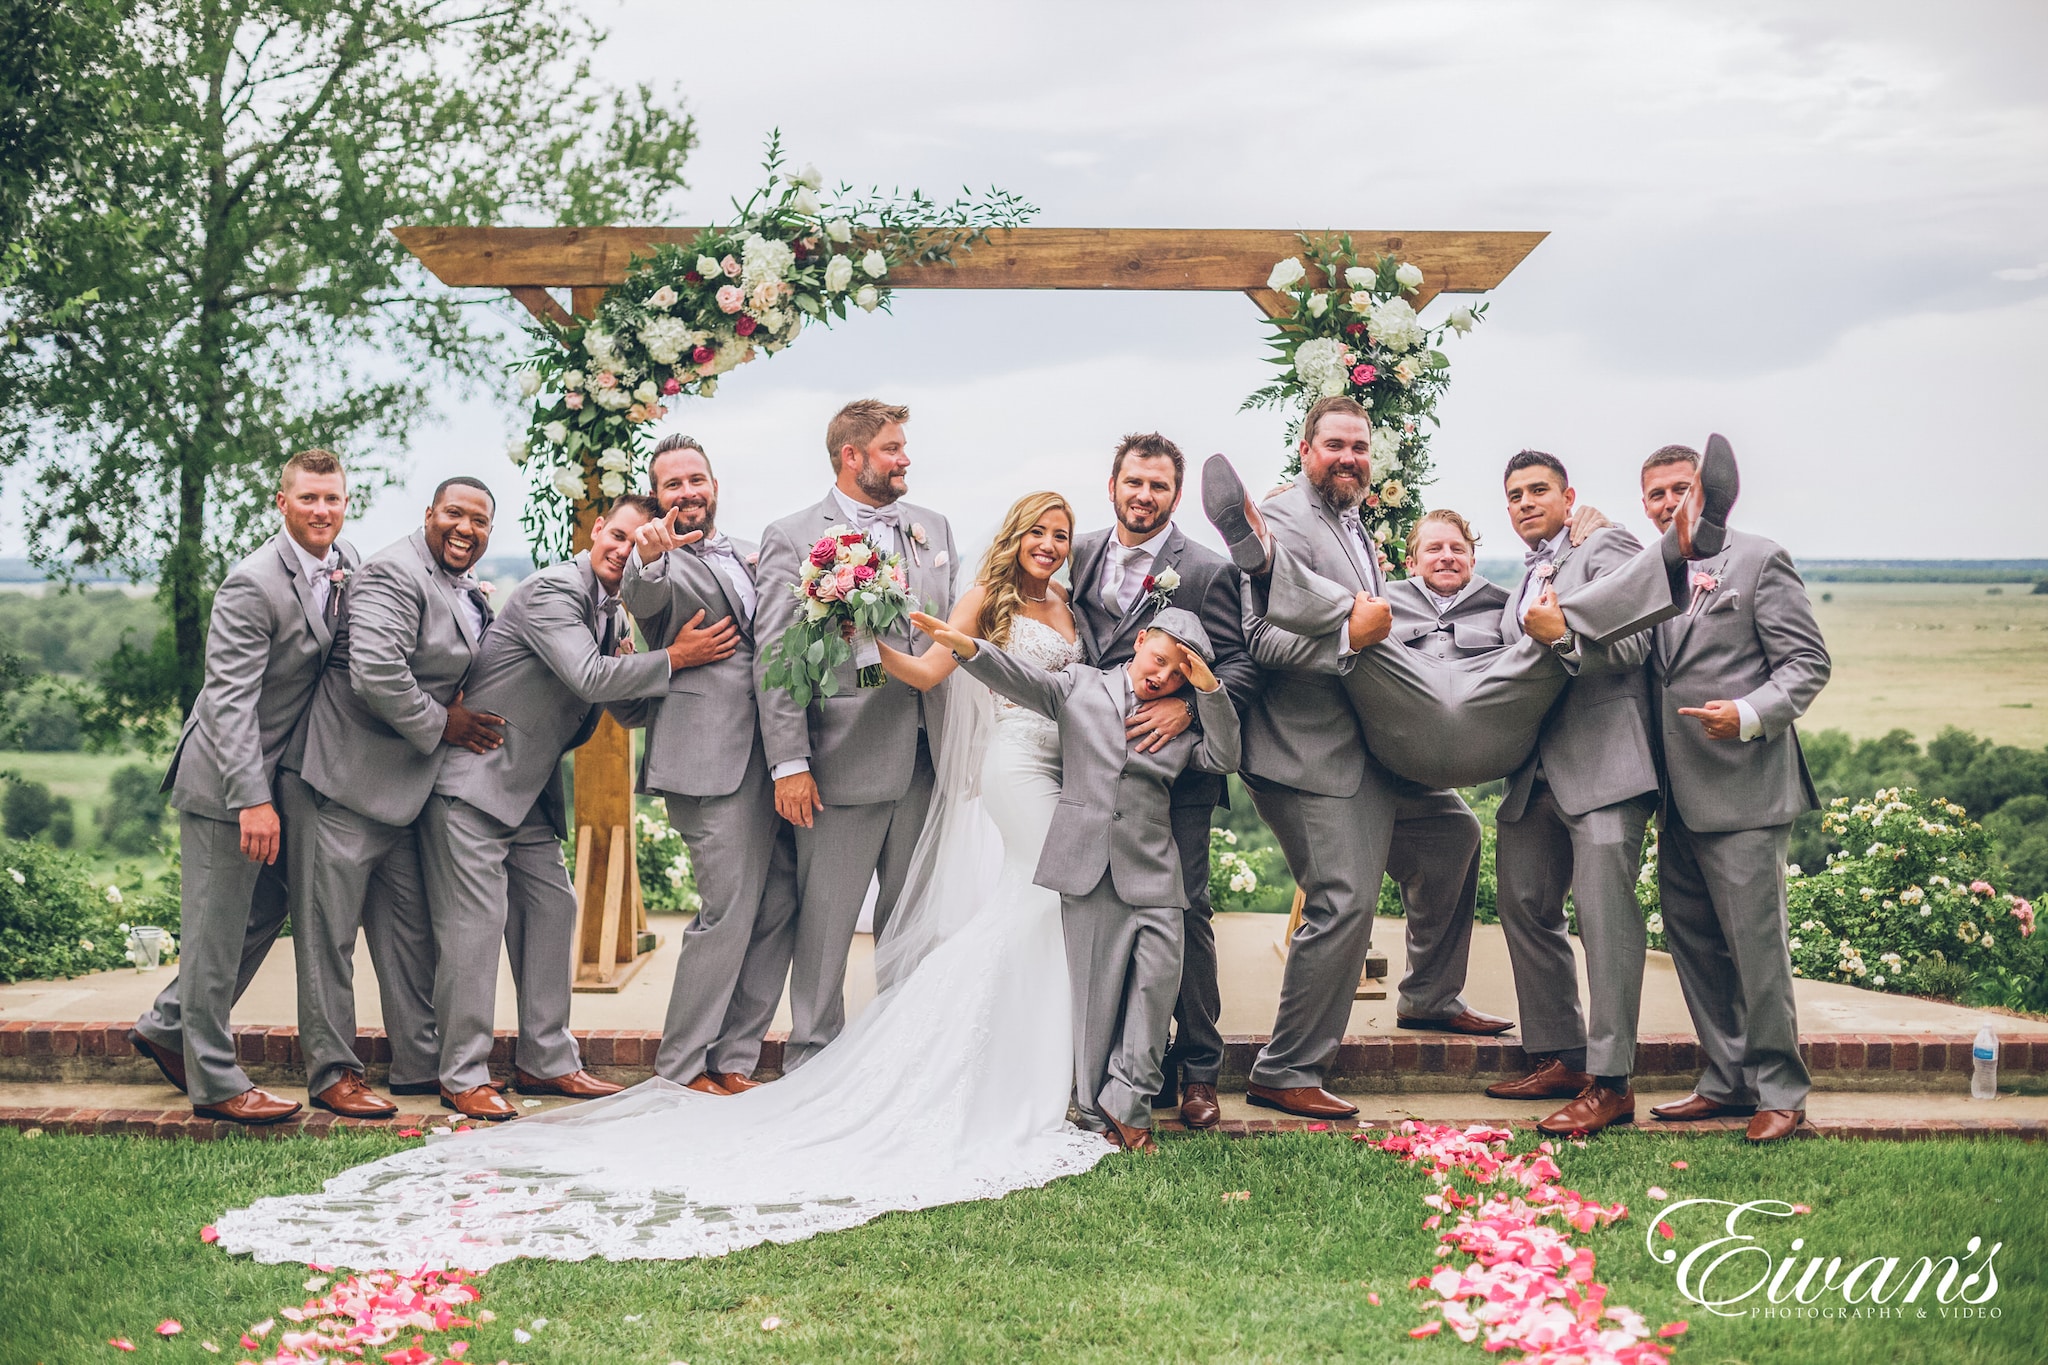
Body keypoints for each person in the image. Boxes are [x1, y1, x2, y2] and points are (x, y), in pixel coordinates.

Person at [212, 488, 1117, 1269]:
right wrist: (731, 656)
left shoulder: (726, 562)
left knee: (746, 910)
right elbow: (614, 670)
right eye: (616, 534)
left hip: (944, 767)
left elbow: (636, 691)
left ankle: (636, 1060)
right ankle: (643, 1070)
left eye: (1059, 534)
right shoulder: (596, 585)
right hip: (512, 778)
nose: (627, 543)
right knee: (631, 919)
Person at [928, 606, 1241, 1154]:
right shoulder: (1080, 685)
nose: (1161, 676)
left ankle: (1130, 1098)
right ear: (1141, 640)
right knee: (1095, 998)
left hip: (1154, 868)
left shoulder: (1180, 716)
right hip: (1087, 864)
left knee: (1157, 985)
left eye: (1175, 673)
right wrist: (966, 648)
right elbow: (1022, 679)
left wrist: (1204, 693)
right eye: (1159, 660)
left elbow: (1225, 754)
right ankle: (1101, 1110)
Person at [418, 494, 689, 1120]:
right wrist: (676, 658)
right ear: (597, 530)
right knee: (474, 934)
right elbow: (591, 679)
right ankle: (462, 1075)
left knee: (552, 910)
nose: (623, 551)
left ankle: (547, 1060)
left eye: (637, 544)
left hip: (528, 798)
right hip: (474, 787)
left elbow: (627, 708)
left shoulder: (614, 614)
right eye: (616, 535)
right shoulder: (552, 591)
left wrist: (693, 679)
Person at [129, 449, 358, 1125]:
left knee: (271, 905)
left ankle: (170, 1025)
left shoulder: (345, 565)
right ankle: (217, 1080)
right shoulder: (251, 584)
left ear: (347, 503)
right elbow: (228, 703)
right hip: (225, 782)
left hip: (279, 781)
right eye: (309, 498)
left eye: (332, 498)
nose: (322, 510)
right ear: (282, 503)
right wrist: (251, 798)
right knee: (215, 930)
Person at [1634, 439, 1831, 1144]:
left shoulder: (1757, 559)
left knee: (1756, 950)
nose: (1667, 504)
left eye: (1679, 489)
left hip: (1744, 789)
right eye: (1655, 493)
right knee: (1694, 945)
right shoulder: (1650, 572)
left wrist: (1748, 714)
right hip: (1675, 798)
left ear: (1706, 492)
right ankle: (1725, 1079)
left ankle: (1782, 1091)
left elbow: (1807, 662)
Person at [282, 477, 498, 1119]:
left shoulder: (455, 584)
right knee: (328, 941)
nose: (465, 528)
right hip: (337, 782)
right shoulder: (391, 574)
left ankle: (418, 1062)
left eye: (480, 522)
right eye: (454, 514)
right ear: (428, 514)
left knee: (407, 935)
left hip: (401, 792)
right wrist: (446, 725)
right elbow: (377, 674)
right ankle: (332, 1072)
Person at [753, 399, 959, 1069]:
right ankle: (812, 1057)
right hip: (838, 763)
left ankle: (901, 1063)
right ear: (853, 456)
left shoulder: (934, 528)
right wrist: (789, 763)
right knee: (827, 924)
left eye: (904, 447)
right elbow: (775, 659)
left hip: (926, 758)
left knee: (912, 922)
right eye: (893, 448)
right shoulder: (792, 536)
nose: (905, 459)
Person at [1063, 433, 1259, 1130]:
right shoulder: (1076, 553)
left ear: (1176, 495)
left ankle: (1198, 1068)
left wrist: (1188, 707)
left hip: (1179, 774)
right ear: (1112, 484)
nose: (1145, 496)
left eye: (1159, 486)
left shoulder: (1205, 569)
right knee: (1099, 907)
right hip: (1094, 765)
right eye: (1134, 482)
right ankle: (1105, 1060)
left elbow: (1239, 665)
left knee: (1187, 914)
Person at [1484, 452, 1661, 1137]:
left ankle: (1612, 1081)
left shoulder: (1605, 542)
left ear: (1569, 497)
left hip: (1606, 768)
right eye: (1515, 495)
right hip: (1534, 774)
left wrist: (1566, 641)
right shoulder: (1527, 571)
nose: (1527, 502)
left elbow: (1637, 641)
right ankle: (1561, 1054)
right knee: (1524, 901)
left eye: (1539, 491)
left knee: (1605, 918)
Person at [622, 435, 799, 1096]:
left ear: (715, 484)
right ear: (658, 497)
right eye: (673, 484)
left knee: (780, 901)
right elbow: (641, 596)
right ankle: (681, 1066)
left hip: (772, 757)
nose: (687, 491)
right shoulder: (659, 561)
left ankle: (733, 1057)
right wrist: (645, 556)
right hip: (705, 762)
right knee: (724, 912)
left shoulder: (753, 552)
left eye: (696, 478)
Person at [1378, 510, 1514, 1037]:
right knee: (1340, 885)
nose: (1446, 557)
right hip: (1372, 762)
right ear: (1411, 562)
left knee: (1457, 832)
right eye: (1433, 549)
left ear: (1473, 558)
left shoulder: (1504, 610)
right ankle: (1303, 1036)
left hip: (1435, 769)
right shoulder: (1381, 601)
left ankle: (1430, 998)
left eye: (1457, 548)